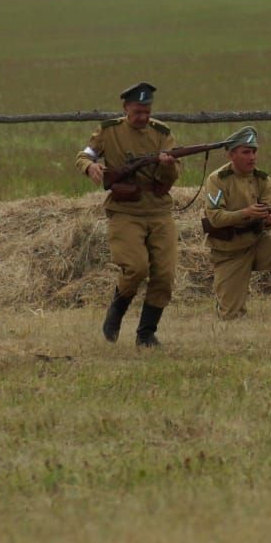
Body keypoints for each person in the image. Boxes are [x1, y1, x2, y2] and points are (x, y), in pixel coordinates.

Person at [76, 82, 180, 347]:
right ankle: (116, 311)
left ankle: (146, 334)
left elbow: (173, 175)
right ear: (125, 109)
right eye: (137, 112)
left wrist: (167, 166)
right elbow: (84, 155)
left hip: (158, 210)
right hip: (125, 212)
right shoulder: (108, 131)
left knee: (164, 276)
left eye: (147, 111)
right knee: (135, 268)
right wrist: (89, 167)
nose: (143, 117)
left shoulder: (162, 133)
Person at [200, 126, 271, 319]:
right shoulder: (217, 179)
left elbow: (269, 216)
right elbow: (215, 217)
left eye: (254, 152)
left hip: (257, 242)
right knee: (231, 316)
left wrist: (270, 220)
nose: (252, 157)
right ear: (231, 155)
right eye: (246, 152)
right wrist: (245, 213)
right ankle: (226, 295)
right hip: (230, 252)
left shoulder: (262, 179)